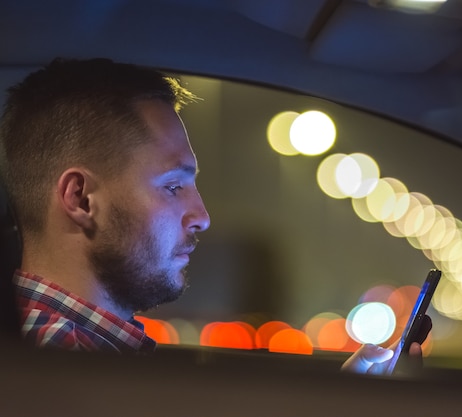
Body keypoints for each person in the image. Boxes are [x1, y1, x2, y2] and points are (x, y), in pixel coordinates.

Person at [0, 58, 427, 372]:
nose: (201, 216)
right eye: (173, 186)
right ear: (80, 199)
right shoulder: (62, 363)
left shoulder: (80, 357)